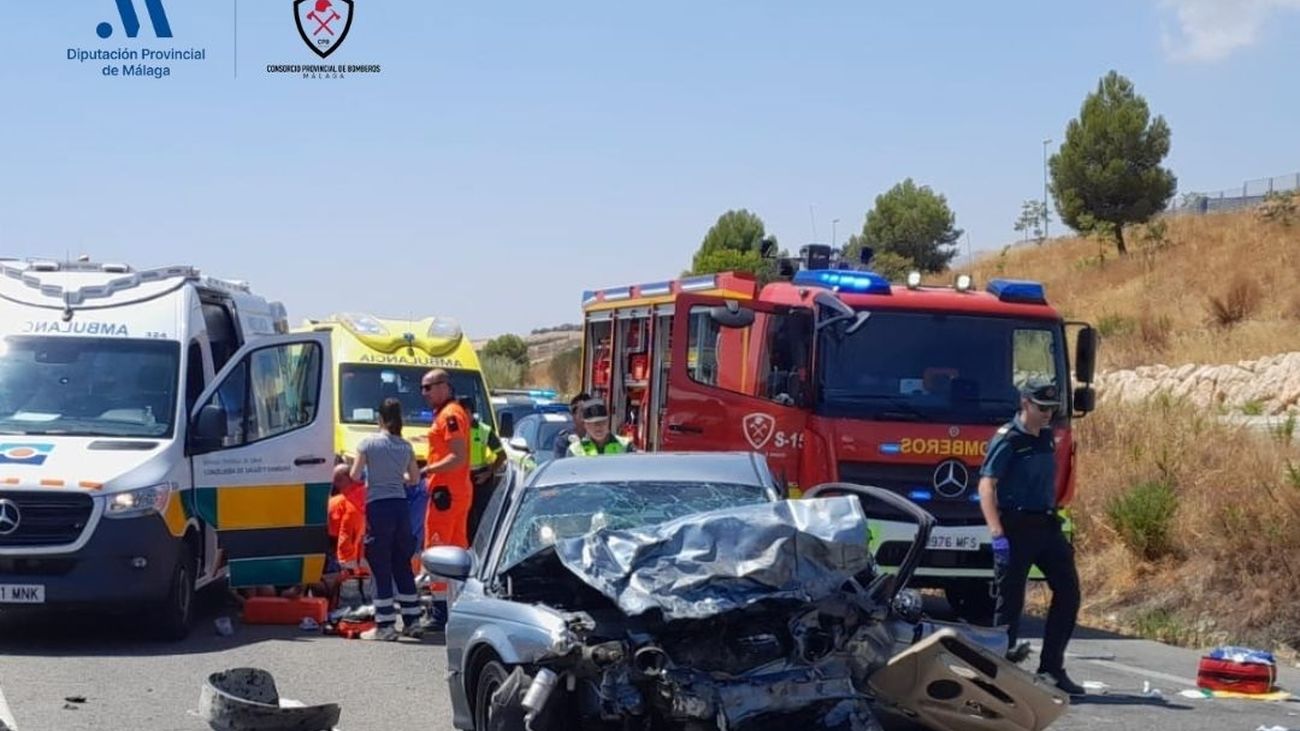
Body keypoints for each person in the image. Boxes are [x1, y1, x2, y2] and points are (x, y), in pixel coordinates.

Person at [977, 376, 1084, 696]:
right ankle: (997, 675)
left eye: (1052, 407)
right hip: (1015, 527)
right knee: (1009, 604)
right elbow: (986, 485)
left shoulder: (1046, 437)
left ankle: (1052, 667)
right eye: (1042, 407)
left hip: (1046, 525)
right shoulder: (1008, 439)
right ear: (1025, 403)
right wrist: (997, 533)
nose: (1048, 413)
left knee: (1069, 592)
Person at [349, 398, 424, 641]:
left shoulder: (367, 443)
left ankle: (385, 625)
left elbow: (355, 474)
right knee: (401, 562)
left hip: (378, 507)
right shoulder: (405, 446)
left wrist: (375, 475)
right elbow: (414, 479)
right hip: (400, 507)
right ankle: (413, 621)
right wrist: (397, 476)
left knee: (380, 563)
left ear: (379, 418)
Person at [461, 396, 506, 543]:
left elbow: (501, 455)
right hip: (460, 478)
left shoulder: (484, 430)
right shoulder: (456, 430)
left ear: (468, 411)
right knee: (462, 517)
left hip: (480, 479)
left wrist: (488, 473)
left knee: (480, 518)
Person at [568, 399, 635, 456]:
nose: (598, 426)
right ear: (585, 425)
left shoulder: (626, 446)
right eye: (594, 423)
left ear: (608, 422)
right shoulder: (574, 450)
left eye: (602, 422)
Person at [552, 392, 591, 459]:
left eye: (589, 411)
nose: (586, 415)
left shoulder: (598, 437)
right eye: (582, 411)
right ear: (573, 415)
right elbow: (561, 464)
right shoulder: (564, 440)